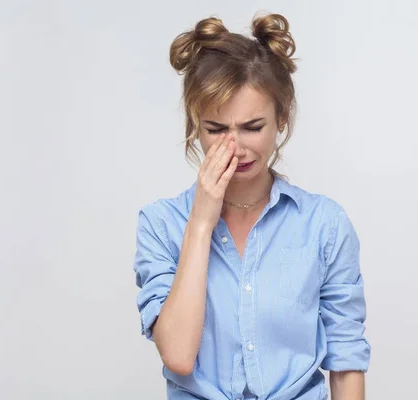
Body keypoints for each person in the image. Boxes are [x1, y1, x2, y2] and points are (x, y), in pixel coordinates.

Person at [133, 12, 371, 400]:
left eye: (252, 127)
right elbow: (177, 356)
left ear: (282, 117)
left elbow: (346, 360)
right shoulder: (162, 225)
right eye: (216, 129)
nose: (235, 147)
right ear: (196, 125)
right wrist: (200, 223)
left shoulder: (324, 225)